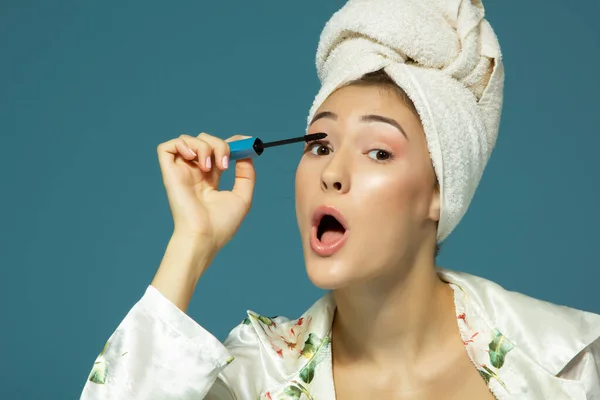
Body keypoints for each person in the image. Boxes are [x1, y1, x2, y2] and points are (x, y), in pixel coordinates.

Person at [80, 1, 600, 399]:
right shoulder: (257, 376)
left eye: (378, 152)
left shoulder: (572, 361)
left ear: (439, 194)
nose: (332, 172)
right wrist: (190, 243)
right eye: (321, 145)